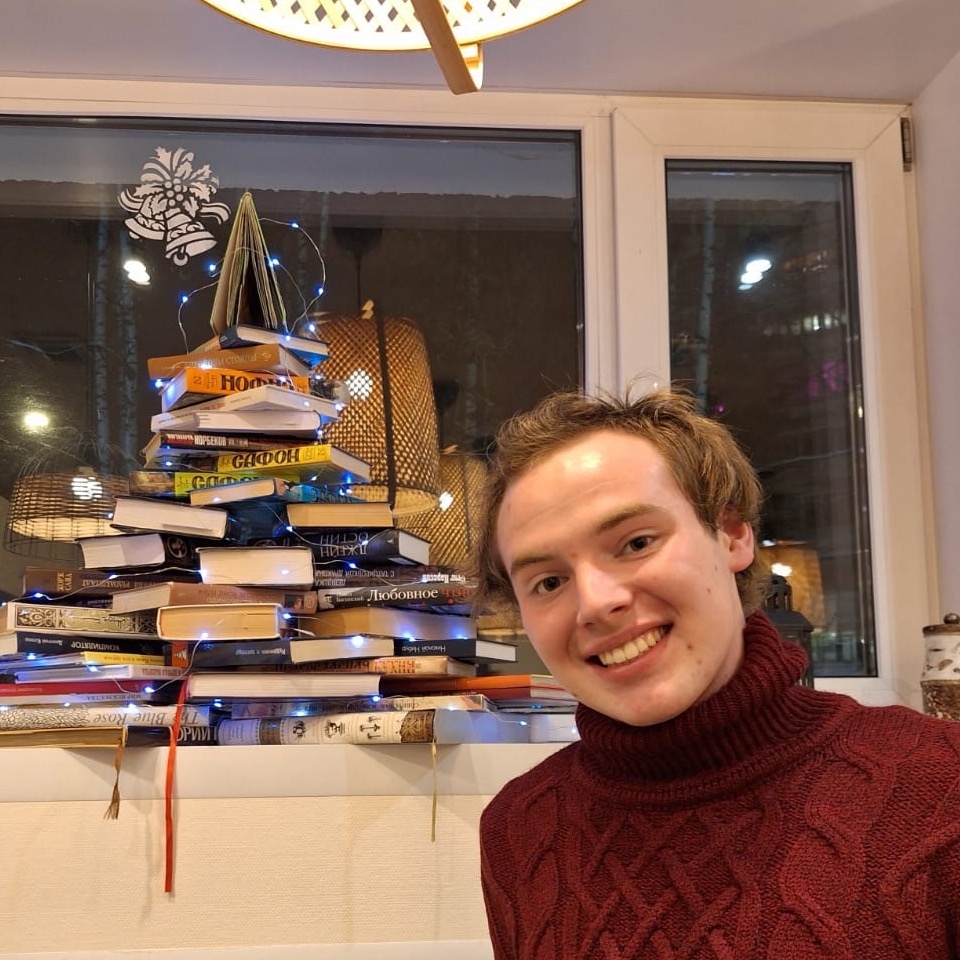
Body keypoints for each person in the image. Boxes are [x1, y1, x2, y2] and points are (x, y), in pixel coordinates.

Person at [473, 387, 960, 960]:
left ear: (732, 535)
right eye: (549, 582)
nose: (597, 604)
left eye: (635, 542)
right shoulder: (518, 828)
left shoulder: (940, 783)